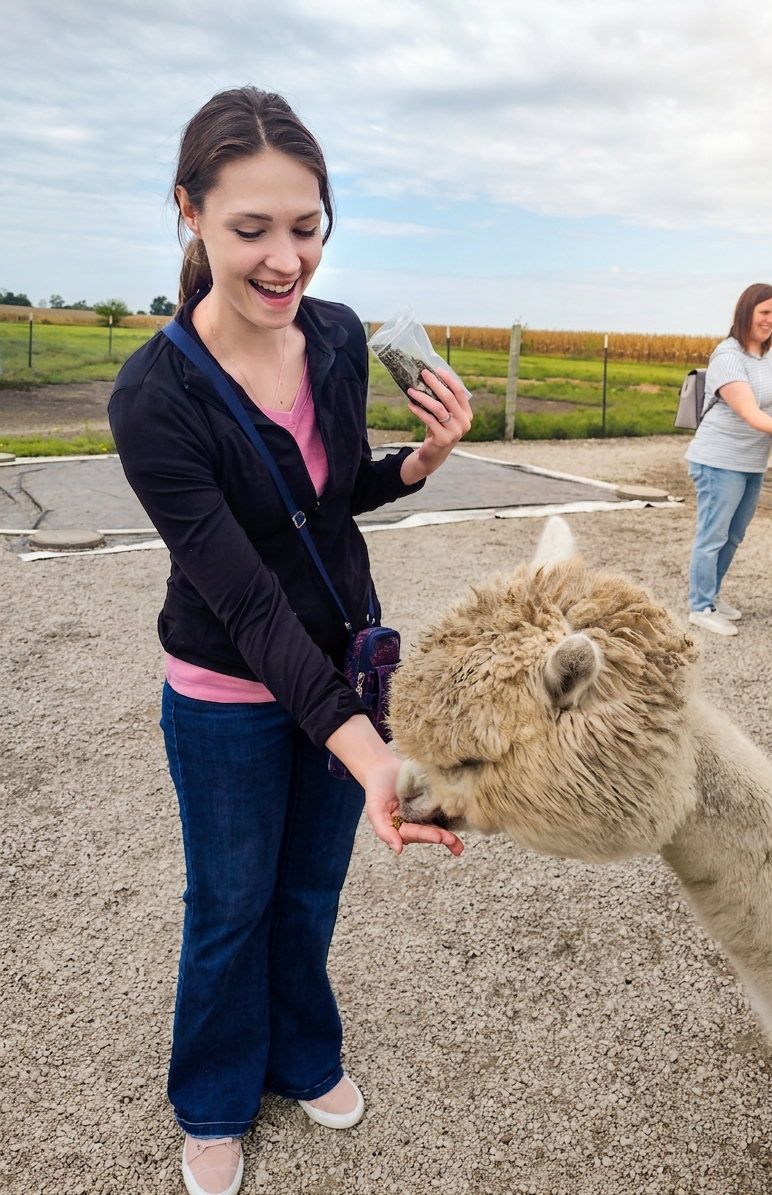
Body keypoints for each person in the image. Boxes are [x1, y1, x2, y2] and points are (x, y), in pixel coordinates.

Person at [109, 86, 471, 1195]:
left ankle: (303, 1054)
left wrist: (415, 465)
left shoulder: (335, 333)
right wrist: (371, 752)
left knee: (309, 892)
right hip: (225, 691)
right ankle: (214, 1096)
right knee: (230, 903)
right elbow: (247, 599)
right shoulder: (155, 397)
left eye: (304, 227)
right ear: (189, 213)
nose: (283, 259)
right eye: (250, 228)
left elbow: (322, 502)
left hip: (345, 673)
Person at [684, 283, 772, 637]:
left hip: (751, 461)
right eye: (764, 312)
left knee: (733, 535)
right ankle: (700, 607)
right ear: (746, 312)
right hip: (719, 460)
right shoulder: (727, 356)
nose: (771, 320)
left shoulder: (768, 355)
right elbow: (749, 411)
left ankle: (712, 595)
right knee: (712, 534)